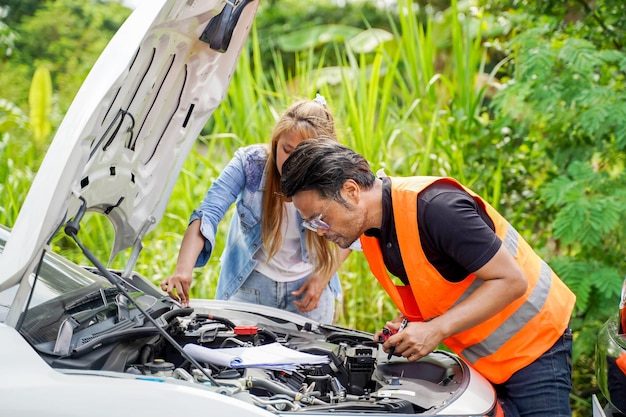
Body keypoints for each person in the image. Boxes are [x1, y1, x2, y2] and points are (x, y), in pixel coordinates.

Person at [280, 138, 576, 417]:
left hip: (537, 347)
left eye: (320, 216)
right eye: (310, 222)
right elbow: (438, 282)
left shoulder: (437, 208)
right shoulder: (373, 231)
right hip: (485, 359)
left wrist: (435, 331)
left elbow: (512, 281)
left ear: (351, 191)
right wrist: (410, 323)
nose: (319, 229)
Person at [160, 97, 350, 324]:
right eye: (286, 150)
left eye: (303, 156)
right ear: (275, 142)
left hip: (308, 291)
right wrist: (183, 269)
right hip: (251, 288)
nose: (291, 163)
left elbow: (355, 232)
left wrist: (322, 277)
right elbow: (208, 211)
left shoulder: (335, 172)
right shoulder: (250, 164)